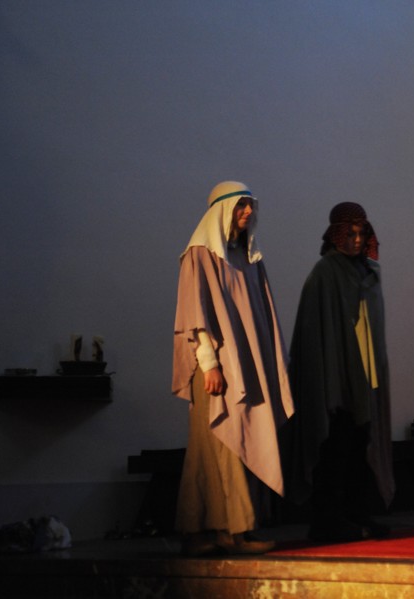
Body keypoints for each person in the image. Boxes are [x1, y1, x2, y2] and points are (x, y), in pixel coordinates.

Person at [172, 180, 294, 556]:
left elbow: (262, 318)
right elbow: (195, 315)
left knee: (244, 442)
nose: (249, 212)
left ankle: (235, 529)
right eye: (241, 205)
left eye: (250, 205)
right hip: (216, 370)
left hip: (248, 369)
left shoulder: (249, 258)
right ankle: (213, 531)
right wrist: (210, 364)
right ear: (222, 211)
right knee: (218, 447)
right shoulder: (200, 254)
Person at [283, 202, 394, 542]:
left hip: (365, 377)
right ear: (336, 235)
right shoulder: (325, 273)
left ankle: (358, 514)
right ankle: (328, 521)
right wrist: (332, 378)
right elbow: (316, 332)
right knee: (336, 448)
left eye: (362, 234)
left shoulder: (368, 272)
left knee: (362, 448)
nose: (357, 240)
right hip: (336, 379)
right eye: (350, 234)